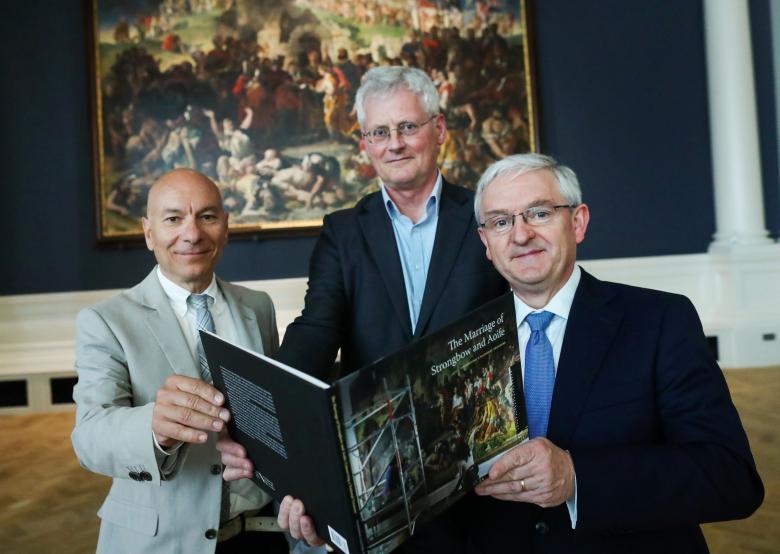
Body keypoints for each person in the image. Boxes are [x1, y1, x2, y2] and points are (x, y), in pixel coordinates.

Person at [218, 66, 507, 551]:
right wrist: (260, 417)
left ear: (438, 130)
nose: (394, 143)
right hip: (378, 467)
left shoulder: (487, 214)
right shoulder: (343, 231)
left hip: (478, 463)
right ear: (365, 145)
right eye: (379, 132)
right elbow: (314, 332)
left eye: (407, 127)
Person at [467, 153, 763, 552]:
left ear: (578, 221)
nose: (520, 235)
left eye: (538, 213)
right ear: (487, 242)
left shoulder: (660, 321)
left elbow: (730, 477)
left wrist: (577, 479)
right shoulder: (463, 344)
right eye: (501, 221)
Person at [71, 169, 288, 553]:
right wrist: (153, 428)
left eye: (206, 216)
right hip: (162, 543)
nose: (192, 234)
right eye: (173, 219)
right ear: (148, 232)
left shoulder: (259, 307)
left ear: (225, 226)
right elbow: (89, 438)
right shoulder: (105, 321)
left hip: (262, 535)